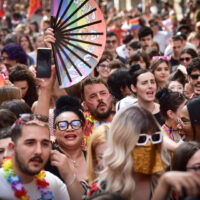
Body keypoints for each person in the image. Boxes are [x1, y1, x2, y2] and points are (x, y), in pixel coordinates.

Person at [83, 105, 169, 200]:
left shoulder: (166, 182)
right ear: (122, 144)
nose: (150, 145)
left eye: (155, 138)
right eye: (141, 139)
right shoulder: (99, 189)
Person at [0, 114, 70, 199]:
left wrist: (70, 176)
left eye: (45, 144)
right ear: (12, 148)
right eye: (30, 143)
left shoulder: (52, 182)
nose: (38, 151)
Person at [46, 95, 87, 182]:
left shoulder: (93, 157)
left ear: (83, 130)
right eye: (63, 125)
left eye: (75, 124)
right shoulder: (48, 159)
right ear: (54, 133)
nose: (70, 129)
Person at [81, 77, 114, 150]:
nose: (99, 98)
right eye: (93, 96)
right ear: (85, 105)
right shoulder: (79, 124)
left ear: (110, 98)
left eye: (103, 93)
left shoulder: (123, 122)